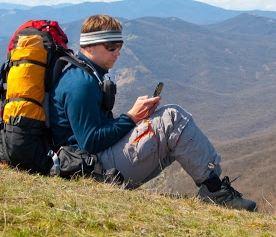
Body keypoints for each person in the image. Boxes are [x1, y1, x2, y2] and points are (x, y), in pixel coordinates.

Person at [50, 14, 256, 211]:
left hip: (90, 165)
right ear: (90, 45)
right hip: (91, 170)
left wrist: (137, 118)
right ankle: (216, 193)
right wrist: (131, 117)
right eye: (111, 47)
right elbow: (90, 142)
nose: (117, 53)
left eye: (119, 46)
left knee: (171, 133)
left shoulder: (84, 75)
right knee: (173, 118)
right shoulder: (81, 84)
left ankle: (215, 188)